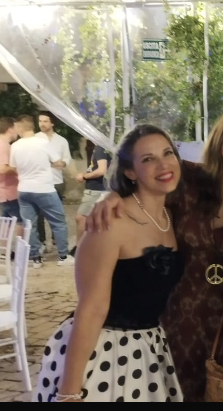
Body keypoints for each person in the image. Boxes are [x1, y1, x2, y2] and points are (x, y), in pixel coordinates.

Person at [85, 106, 223, 401]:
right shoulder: (185, 179)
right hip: (169, 318)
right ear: (218, 137)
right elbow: (143, 185)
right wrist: (114, 195)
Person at [32, 124, 184, 402]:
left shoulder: (170, 215)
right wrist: (69, 393)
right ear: (130, 171)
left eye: (168, 153)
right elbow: (91, 309)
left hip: (150, 349)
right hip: (105, 353)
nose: (163, 164)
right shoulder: (110, 222)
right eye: (148, 159)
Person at [9, 115, 71, 268]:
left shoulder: (15, 146)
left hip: (24, 189)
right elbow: (57, 162)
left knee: (30, 224)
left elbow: (13, 166)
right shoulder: (43, 143)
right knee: (58, 222)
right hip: (44, 188)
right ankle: (63, 256)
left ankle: (35, 258)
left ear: (21, 128)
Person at [35, 111, 72, 252]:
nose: (42, 124)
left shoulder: (61, 141)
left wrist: (62, 163)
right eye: (40, 121)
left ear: (52, 123)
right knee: (39, 215)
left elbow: (67, 158)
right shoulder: (34, 139)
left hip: (56, 181)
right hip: (39, 181)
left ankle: (57, 241)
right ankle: (42, 242)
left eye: (45, 121)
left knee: (56, 214)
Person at [0, 117, 23, 236]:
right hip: (7, 192)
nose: (18, 131)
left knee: (6, 220)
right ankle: (20, 246)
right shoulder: (2, 146)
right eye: (16, 128)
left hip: (1, 191)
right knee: (21, 221)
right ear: (10, 129)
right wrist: (16, 168)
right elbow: (1, 168)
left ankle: (4, 247)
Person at [74, 144, 111, 244]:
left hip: (96, 190)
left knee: (81, 218)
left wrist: (84, 176)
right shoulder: (104, 147)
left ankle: (79, 249)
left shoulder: (101, 147)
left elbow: (101, 170)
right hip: (99, 189)